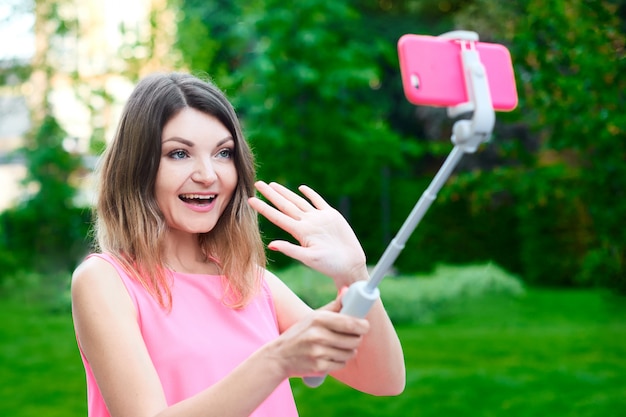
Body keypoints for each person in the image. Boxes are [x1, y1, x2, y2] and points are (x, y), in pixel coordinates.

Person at [71, 72, 405, 417]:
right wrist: (277, 360)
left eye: (223, 153)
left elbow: (384, 380)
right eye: (179, 154)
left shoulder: (251, 281)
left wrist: (354, 275)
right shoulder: (105, 281)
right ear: (137, 166)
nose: (207, 174)